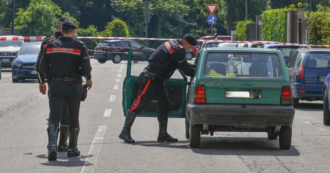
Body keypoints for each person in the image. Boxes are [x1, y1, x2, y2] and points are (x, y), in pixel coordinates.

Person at [119, 34, 197, 144]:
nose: (191, 49)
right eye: (191, 46)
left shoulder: (173, 42)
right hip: (151, 79)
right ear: (185, 42)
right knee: (138, 104)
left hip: (157, 79)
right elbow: (186, 70)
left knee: (164, 104)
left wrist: (193, 66)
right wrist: (199, 71)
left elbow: (181, 63)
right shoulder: (179, 50)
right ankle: (124, 132)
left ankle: (162, 134)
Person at [39, 21, 92, 161]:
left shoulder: (50, 45)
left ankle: (52, 146)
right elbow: (86, 68)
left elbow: (41, 67)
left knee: (54, 118)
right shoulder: (80, 46)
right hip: (73, 86)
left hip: (56, 85)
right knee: (73, 117)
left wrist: (46, 79)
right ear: (73, 32)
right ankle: (72, 149)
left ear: (62, 31)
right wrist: (88, 78)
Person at [36, 17, 72, 153]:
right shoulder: (73, 41)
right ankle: (62, 144)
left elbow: (39, 65)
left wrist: (41, 82)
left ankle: (52, 144)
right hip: (70, 84)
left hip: (53, 83)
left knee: (55, 113)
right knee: (66, 113)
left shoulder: (48, 41)